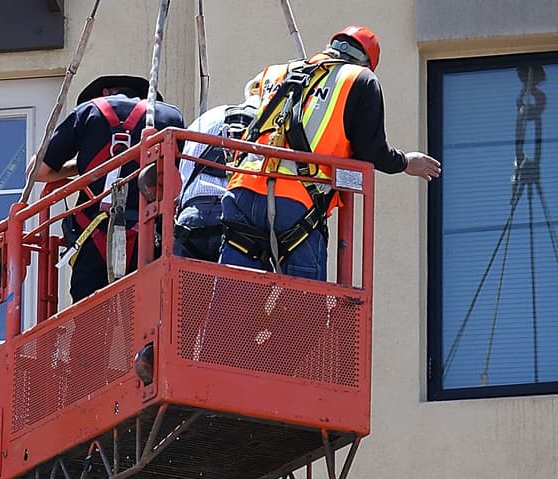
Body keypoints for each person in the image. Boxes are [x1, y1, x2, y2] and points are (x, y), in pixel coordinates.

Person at [215, 26, 441, 280]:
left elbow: (241, 119)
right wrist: (405, 163)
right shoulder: (360, 79)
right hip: (296, 204)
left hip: (241, 191)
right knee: (304, 310)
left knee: (230, 305)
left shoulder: (278, 72)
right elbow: (372, 150)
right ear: (366, 62)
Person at [33, 75, 184, 301]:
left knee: (90, 319)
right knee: (149, 315)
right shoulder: (170, 116)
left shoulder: (87, 112)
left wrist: (83, 166)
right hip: (149, 236)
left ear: (104, 93)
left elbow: (37, 172)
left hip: (93, 236)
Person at [171, 95, 258, 262]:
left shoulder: (208, 118)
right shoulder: (263, 124)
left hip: (192, 217)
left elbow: (184, 165)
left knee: (178, 286)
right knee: (239, 286)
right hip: (238, 220)